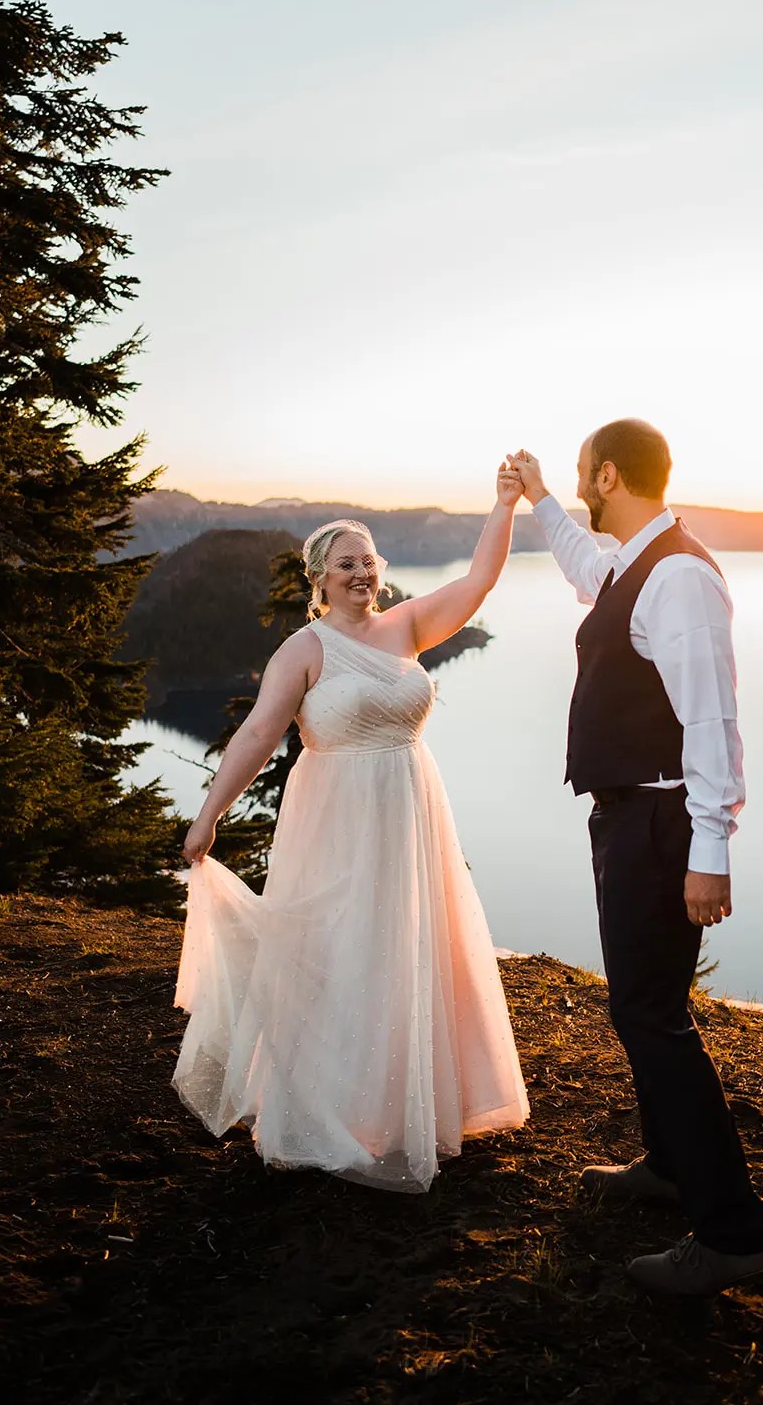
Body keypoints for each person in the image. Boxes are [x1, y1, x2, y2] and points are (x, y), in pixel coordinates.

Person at [172, 465, 530, 1191]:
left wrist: (503, 505)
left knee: (409, 942)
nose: (361, 572)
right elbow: (254, 737)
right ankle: (326, 1109)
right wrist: (209, 815)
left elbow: (479, 581)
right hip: (334, 817)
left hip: (408, 804)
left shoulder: (408, 626)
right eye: (346, 564)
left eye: (368, 560)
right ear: (320, 578)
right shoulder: (303, 652)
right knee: (339, 948)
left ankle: (413, 1108)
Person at [507, 423, 763, 1296]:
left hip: (662, 828)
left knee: (653, 1018)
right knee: (642, 1009)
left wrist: (709, 853)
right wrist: (541, 496)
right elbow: (586, 567)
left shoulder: (682, 578)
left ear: (611, 474)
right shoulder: (634, 562)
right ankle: (666, 1167)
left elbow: (712, 726)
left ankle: (732, 1236)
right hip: (632, 821)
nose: (583, 485)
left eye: (584, 474)